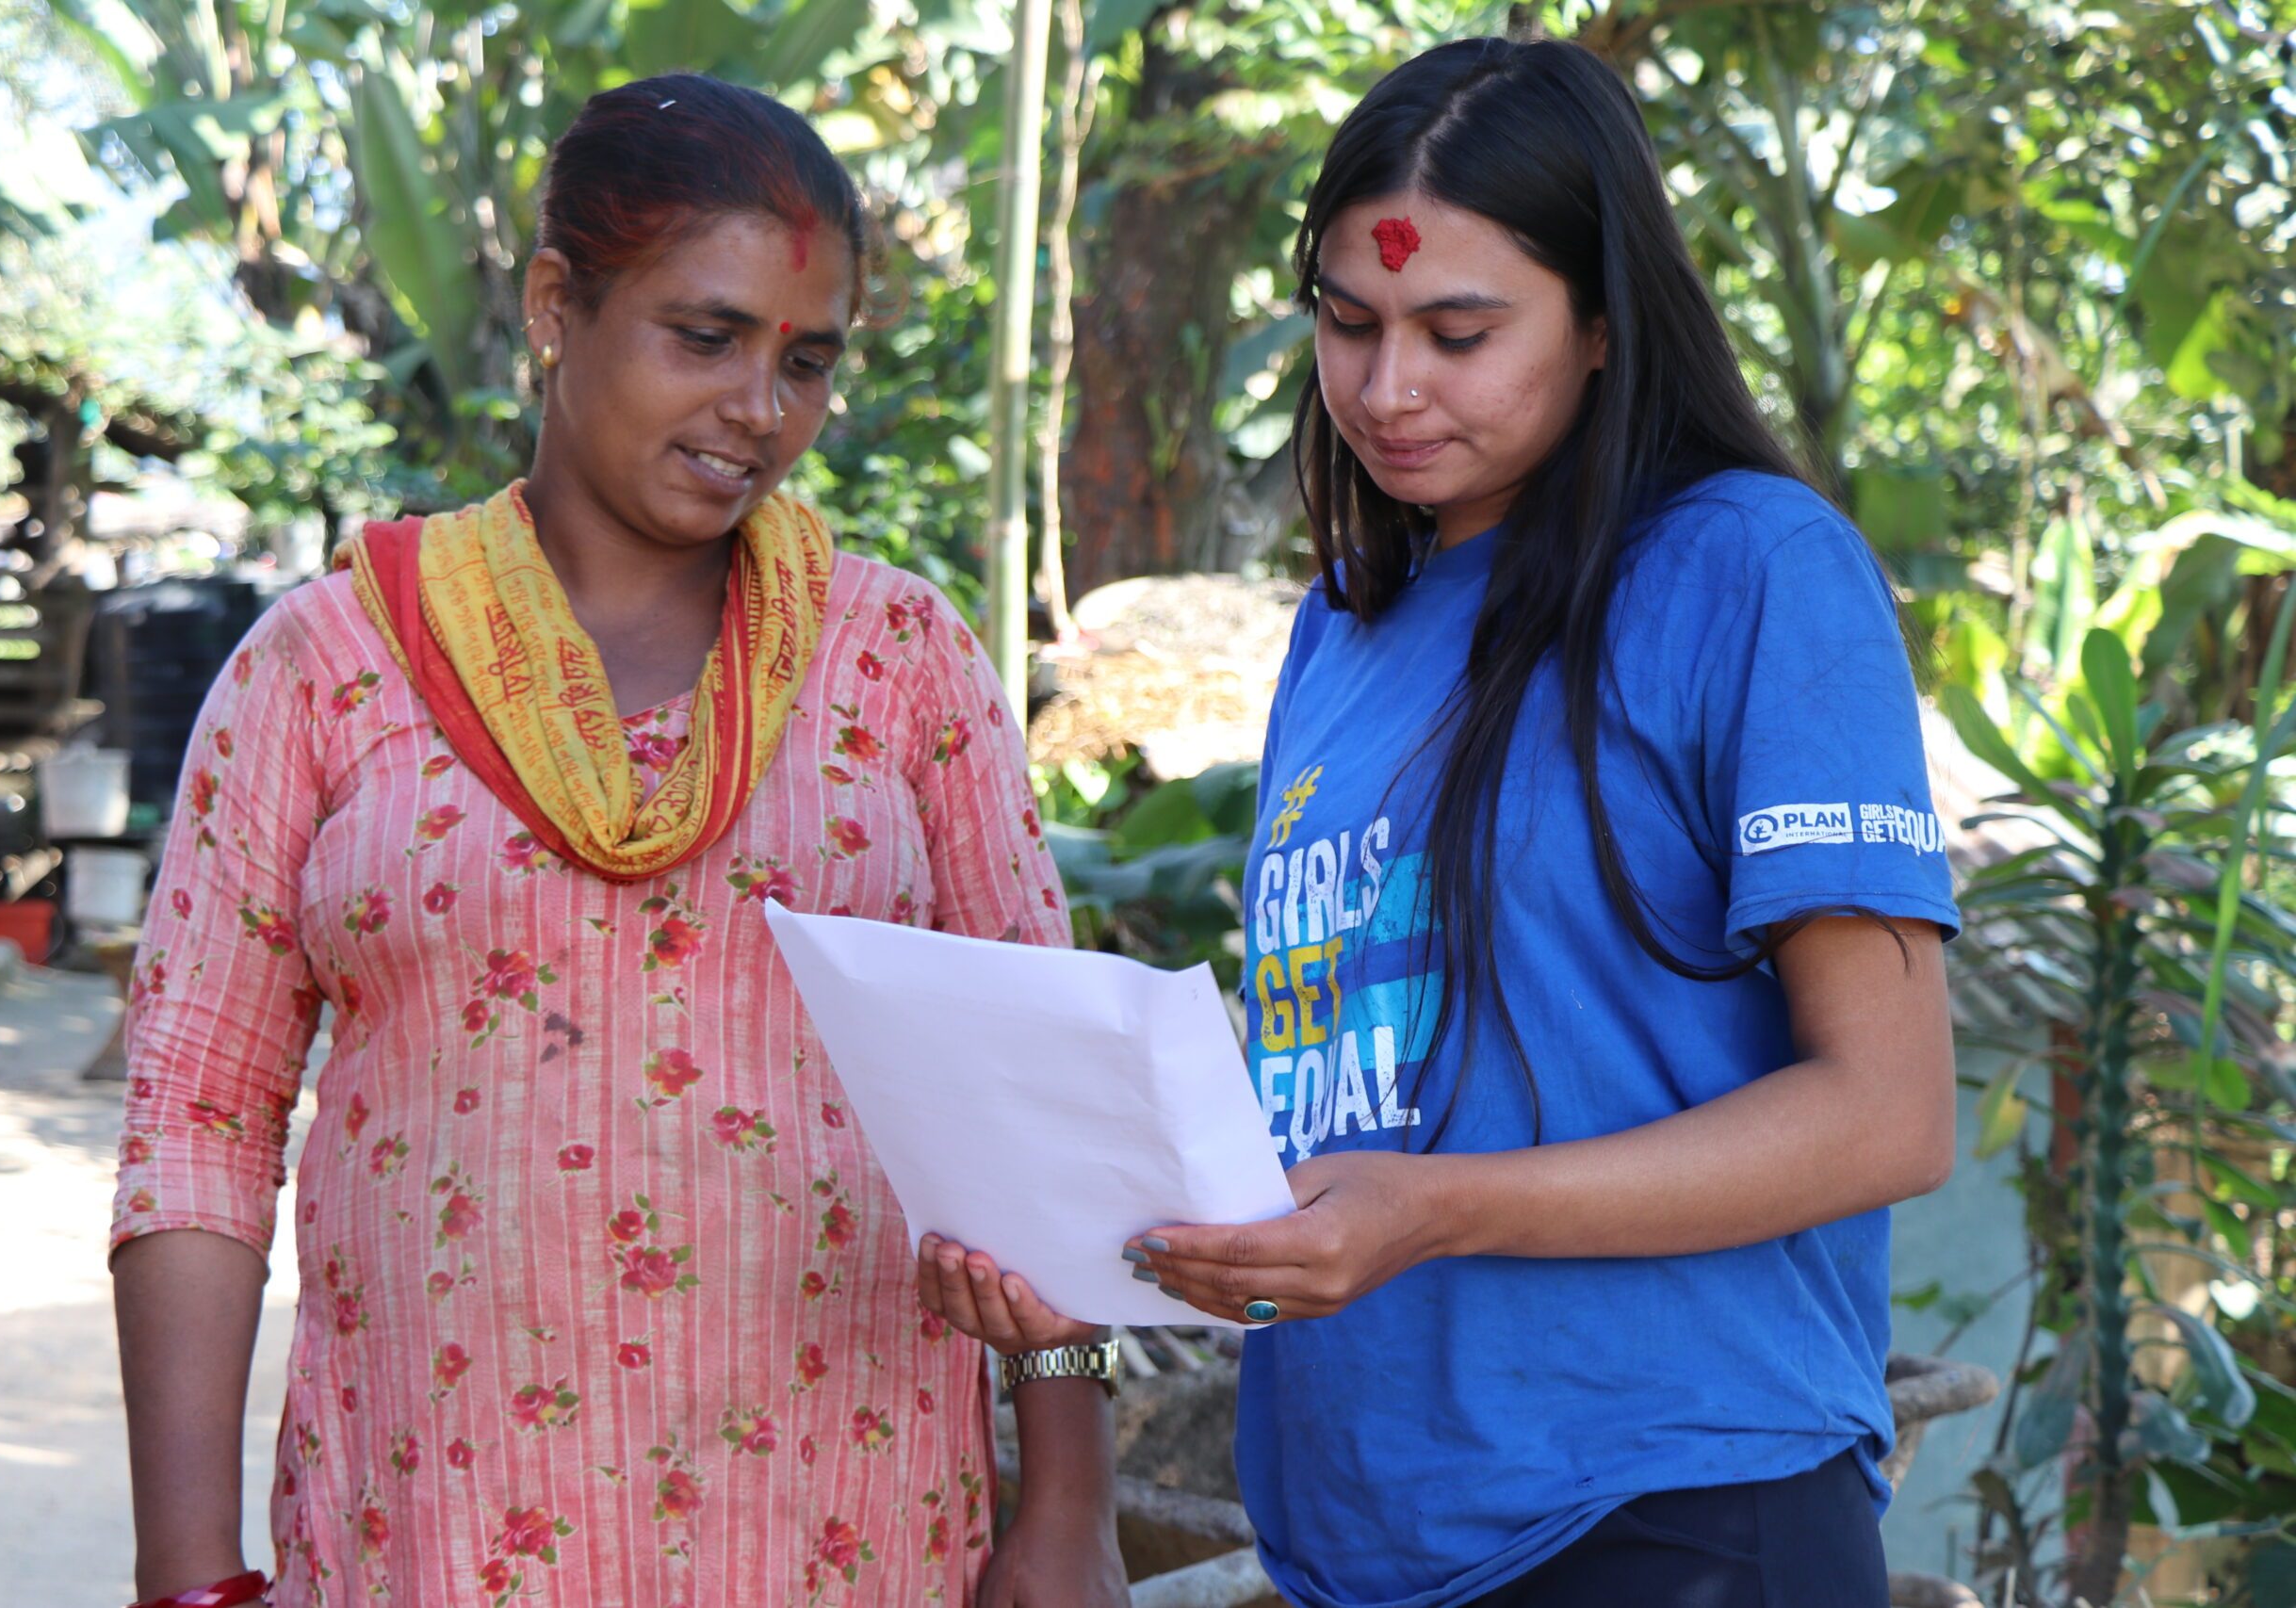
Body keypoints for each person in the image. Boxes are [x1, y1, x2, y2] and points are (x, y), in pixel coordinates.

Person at [920, 35, 1959, 1608]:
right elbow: (1357, 1100)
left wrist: (1439, 1211)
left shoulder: (1752, 571)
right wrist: (1082, 1241)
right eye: (1348, 324)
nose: (1387, 389)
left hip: (1670, 1515)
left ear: (1606, 321)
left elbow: (1889, 1114)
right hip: (1364, 1537)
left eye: (1459, 332)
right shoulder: (1345, 628)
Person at [112, 73, 1127, 1608]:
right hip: (432, 1542)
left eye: (808, 361)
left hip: (847, 1533)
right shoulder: (329, 666)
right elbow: (198, 1125)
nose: (758, 410)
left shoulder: (899, 662)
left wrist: (1069, 1509)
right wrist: (189, 1574)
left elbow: (1045, 1103)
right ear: (553, 306)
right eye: (704, 335)